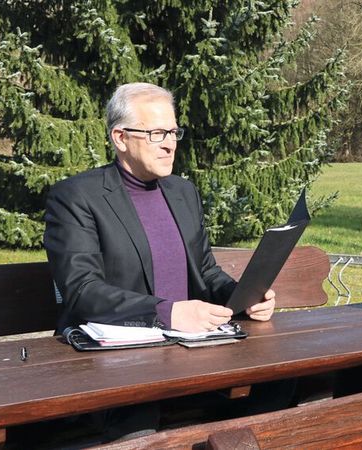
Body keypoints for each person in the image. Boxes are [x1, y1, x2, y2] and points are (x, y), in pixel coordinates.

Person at [43, 82, 284, 441]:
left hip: (192, 354)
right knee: (140, 419)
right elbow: (82, 291)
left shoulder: (182, 192)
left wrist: (245, 296)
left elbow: (205, 271)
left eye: (173, 131)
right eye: (157, 133)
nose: (170, 143)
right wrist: (167, 312)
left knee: (280, 386)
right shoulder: (76, 197)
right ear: (121, 138)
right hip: (116, 365)